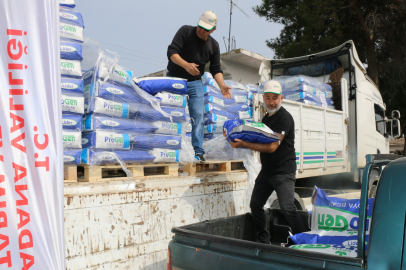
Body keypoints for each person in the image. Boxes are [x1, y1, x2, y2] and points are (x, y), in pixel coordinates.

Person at [228, 80, 306, 244]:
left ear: (281, 98)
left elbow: (271, 147)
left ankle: (305, 240)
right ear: (263, 98)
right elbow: (260, 138)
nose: (271, 102)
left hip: (284, 172)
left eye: (275, 98)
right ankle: (264, 240)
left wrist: (243, 144)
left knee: (287, 208)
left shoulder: (284, 118)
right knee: (255, 205)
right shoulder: (266, 118)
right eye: (268, 98)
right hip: (267, 171)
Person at [166, 10, 231, 162]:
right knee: (171, 114)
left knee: (198, 116)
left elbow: (216, 69)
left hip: (195, 82)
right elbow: (171, 52)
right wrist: (186, 65)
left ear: (213, 30)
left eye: (206, 29)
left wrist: (222, 85)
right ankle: (170, 148)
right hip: (174, 78)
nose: (201, 30)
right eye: (200, 26)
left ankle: (198, 151)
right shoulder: (185, 31)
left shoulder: (213, 45)